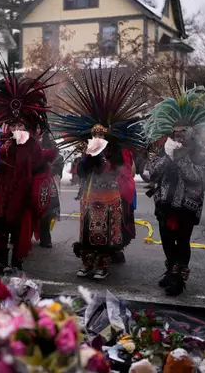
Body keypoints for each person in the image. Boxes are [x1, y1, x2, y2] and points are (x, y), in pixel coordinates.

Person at [49, 68, 148, 280]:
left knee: (105, 234)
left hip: (110, 197)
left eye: (101, 134)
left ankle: (103, 264)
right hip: (89, 197)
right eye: (94, 134)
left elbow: (118, 171)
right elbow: (81, 172)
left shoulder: (116, 153)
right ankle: (87, 263)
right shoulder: (87, 152)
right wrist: (88, 156)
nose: (97, 136)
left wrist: (103, 157)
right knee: (87, 232)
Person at [0, 61, 56, 274]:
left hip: (24, 195)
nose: (17, 128)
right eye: (14, 125)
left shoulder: (33, 146)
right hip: (3, 195)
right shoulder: (2, 143)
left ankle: (17, 261)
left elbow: (41, 170)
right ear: (8, 126)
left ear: (27, 127)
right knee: (0, 228)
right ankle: (2, 261)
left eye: (21, 125)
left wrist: (35, 192)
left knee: (19, 232)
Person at [144, 84, 205, 296]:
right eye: (175, 132)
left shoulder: (200, 151)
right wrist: (167, 158)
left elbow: (198, 178)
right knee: (166, 239)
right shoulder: (165, 147)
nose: (178, 136)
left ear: (191, 132)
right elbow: (153, 172)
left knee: (182, 242)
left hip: (187, 205)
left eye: (182, 132)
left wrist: (182, 159)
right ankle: (170, 271)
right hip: (165, 203)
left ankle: (179, 277)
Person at [38, 129, 63, 249]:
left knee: (47, 208)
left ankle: (45, 236)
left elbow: (58, 159)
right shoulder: (26, 139)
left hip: (46, 180)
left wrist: (47, 170)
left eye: (39, 127)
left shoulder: (50, 143)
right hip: (29, 178)